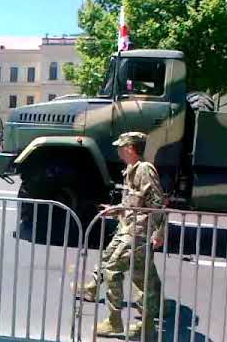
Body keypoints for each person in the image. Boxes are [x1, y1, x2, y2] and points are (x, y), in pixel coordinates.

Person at [78, 132, 165, 339]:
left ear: (130, 148)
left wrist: (159, 232)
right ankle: (148, 325)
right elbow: (134, 203)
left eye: (121, 146)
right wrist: (116, 209)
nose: (118, 150)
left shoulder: (144, 170)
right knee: (144, 277)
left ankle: (115, 321)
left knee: (112, 269)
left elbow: (158, 203)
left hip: (137, 232)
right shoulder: (131, 170)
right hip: (130, 229)